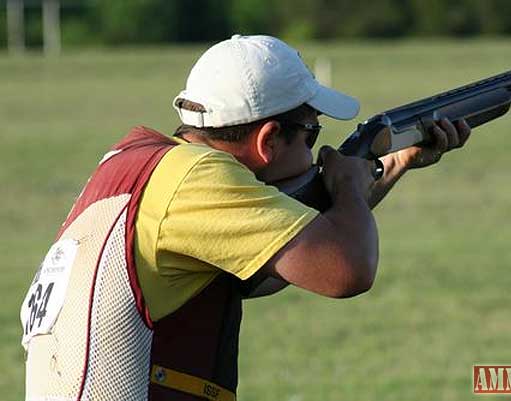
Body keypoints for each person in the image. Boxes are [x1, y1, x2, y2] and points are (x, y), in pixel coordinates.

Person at [19, 34, 470, 401]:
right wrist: (349, 183)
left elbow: (280, 265)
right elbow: (346, 269)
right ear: (269, 139)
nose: (317, 149)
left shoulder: (137, 163)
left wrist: (394, 163)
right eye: (312, 133)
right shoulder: (199, 178)